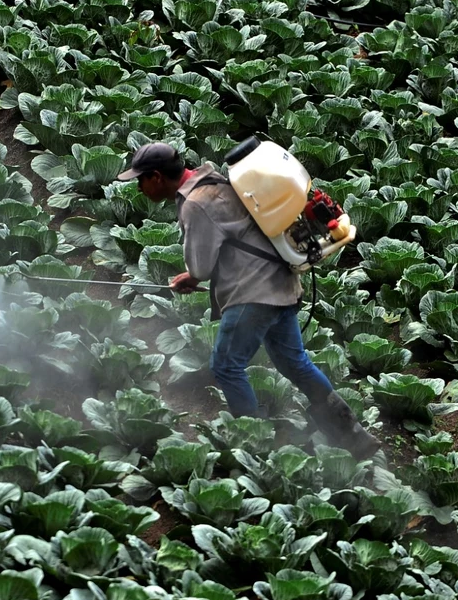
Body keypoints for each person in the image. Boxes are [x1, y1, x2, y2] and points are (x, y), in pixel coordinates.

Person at [117, 141, 381, 459]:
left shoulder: (195, 203)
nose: (139, 187)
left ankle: (253, 447)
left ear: (157, 177)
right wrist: (194, 276)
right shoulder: (214, 181)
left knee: (226, 365)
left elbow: (200, 266)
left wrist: (192, 276)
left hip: (253, 294)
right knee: (295, 363)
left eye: (140, 180)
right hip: (281, 283)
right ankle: (352, 434)